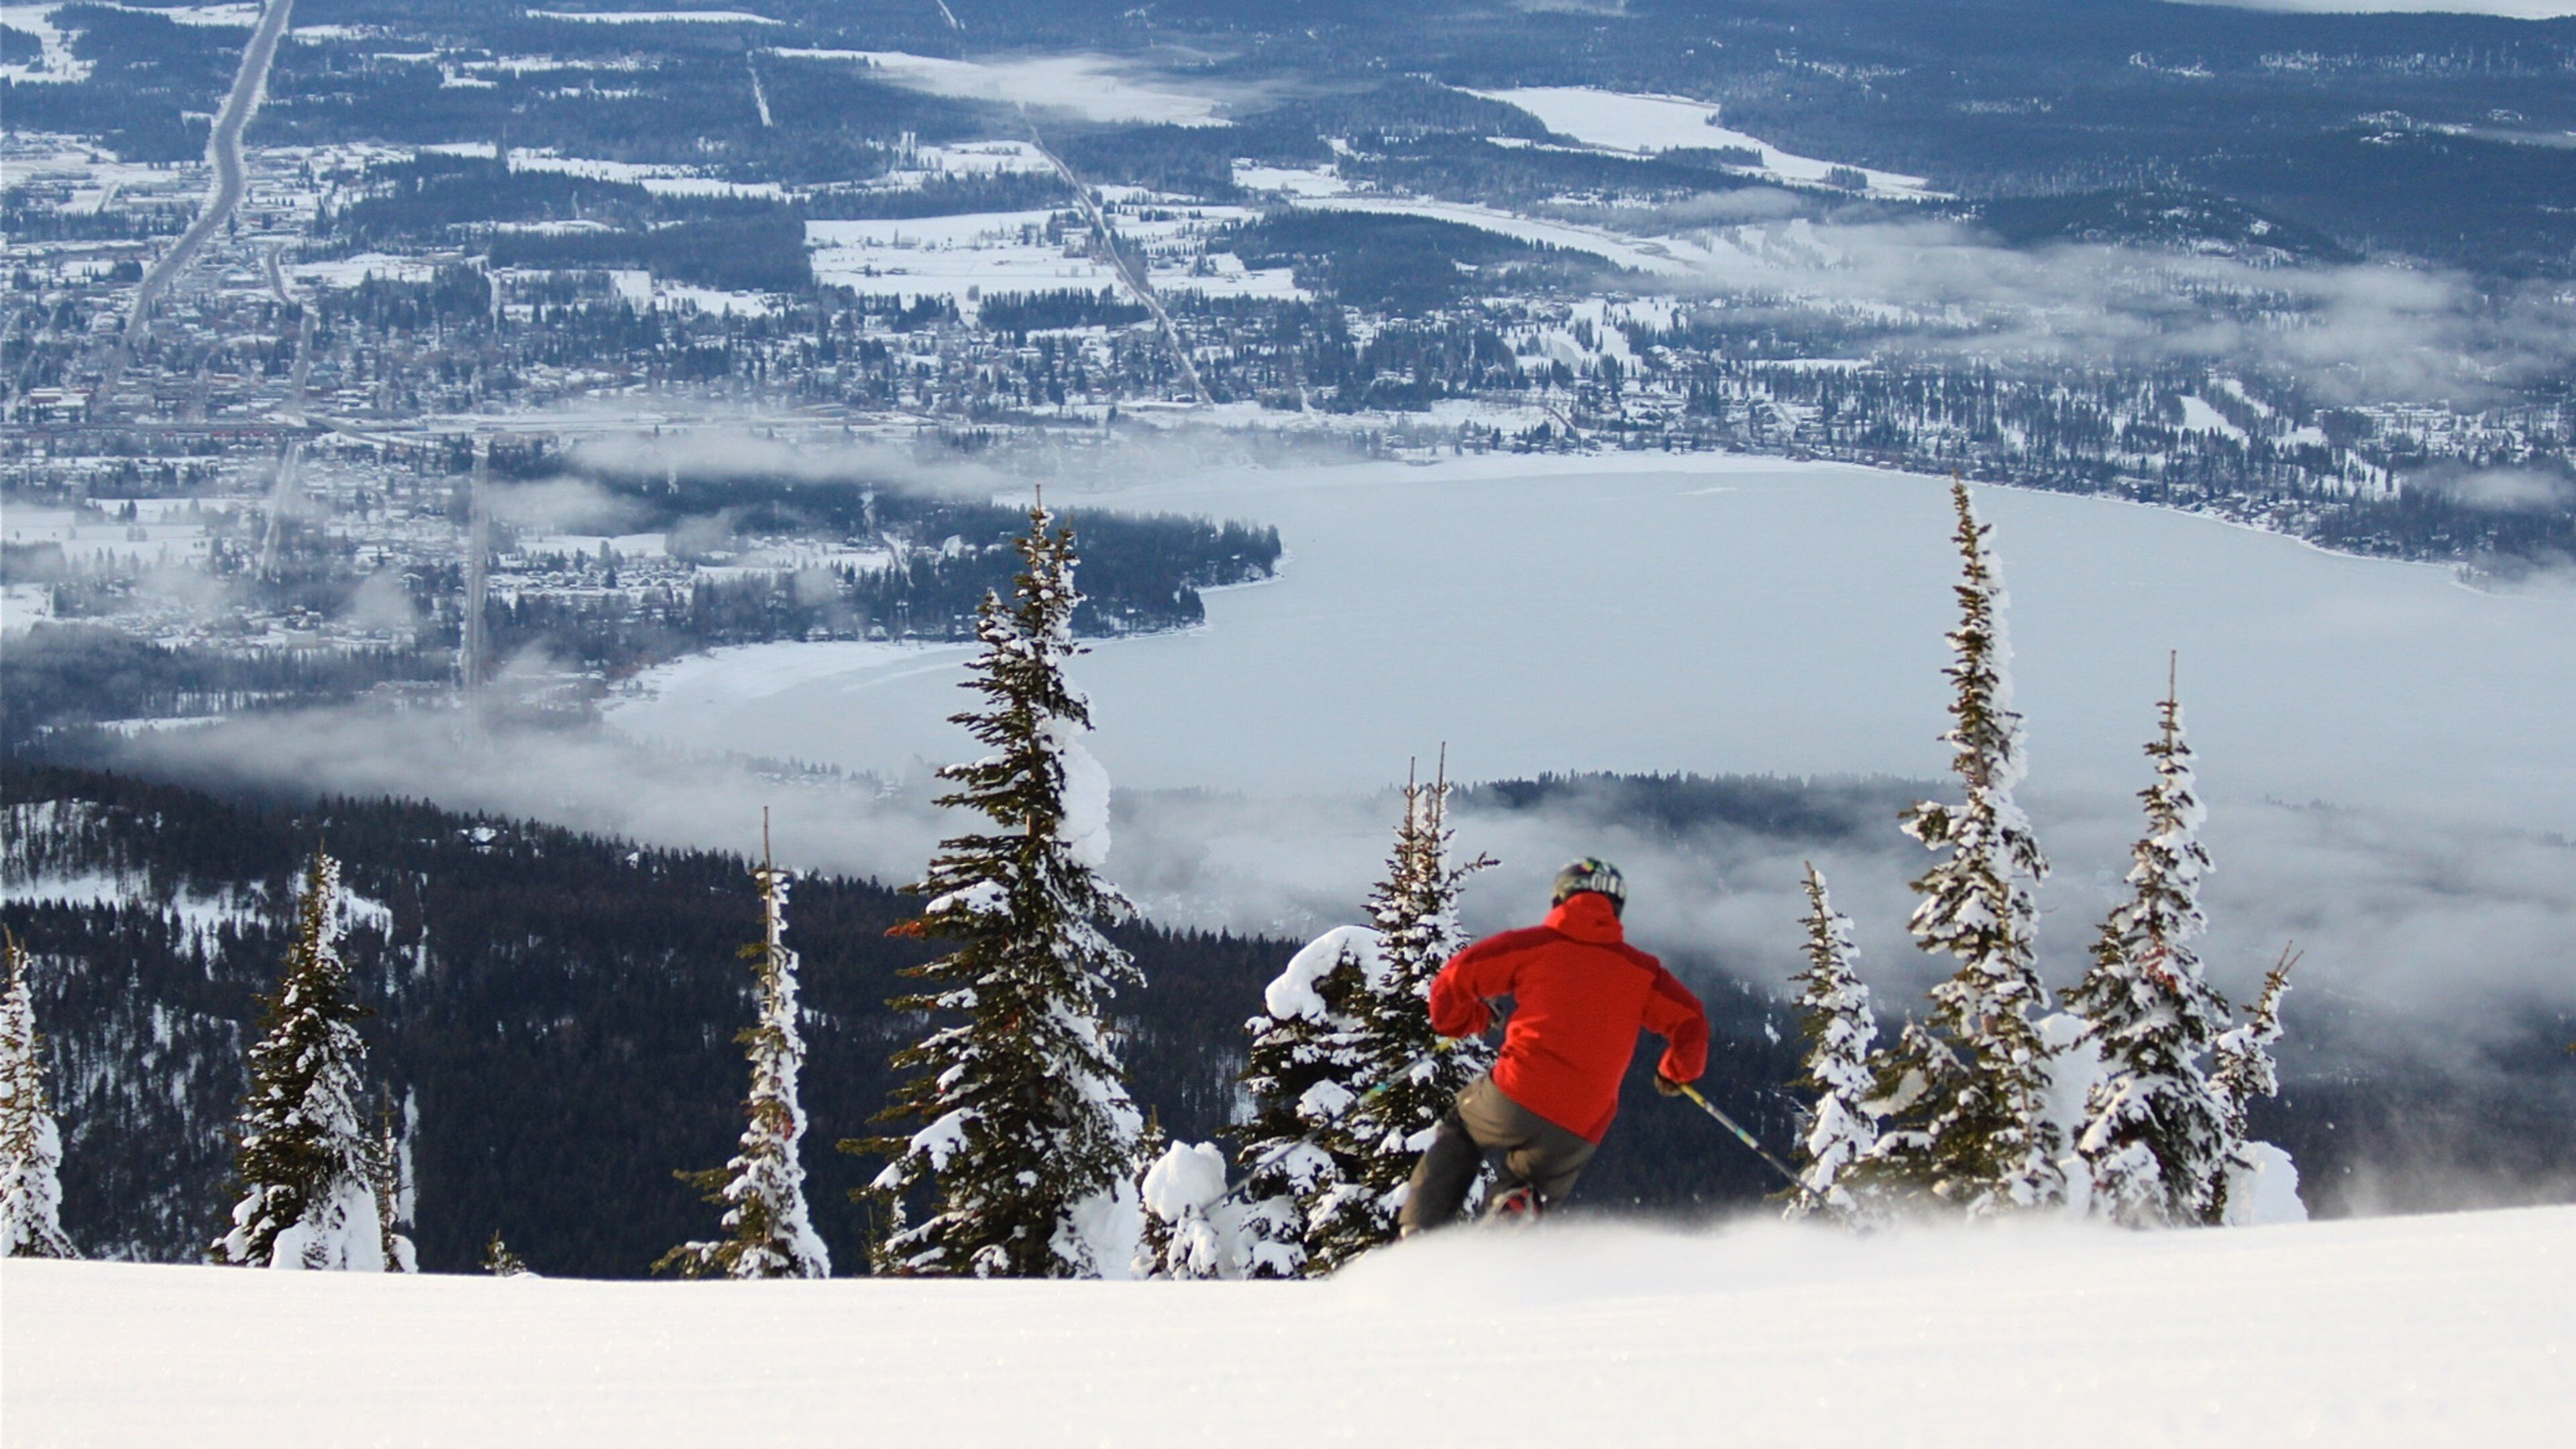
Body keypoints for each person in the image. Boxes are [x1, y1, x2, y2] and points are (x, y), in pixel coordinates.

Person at [1397, 857, 1709, 1233]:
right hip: (1583, 1119)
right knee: (1534, 1185)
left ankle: (1420, 1234)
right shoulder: (1644, 972)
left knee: (1460, 1129)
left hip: (1515, 1092)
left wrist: (1470, 1021)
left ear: (1560, 897)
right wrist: (1675, 1071)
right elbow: (1691, 1020)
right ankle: (1514, 1209)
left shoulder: (1531, 946)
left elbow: (1453, 978)